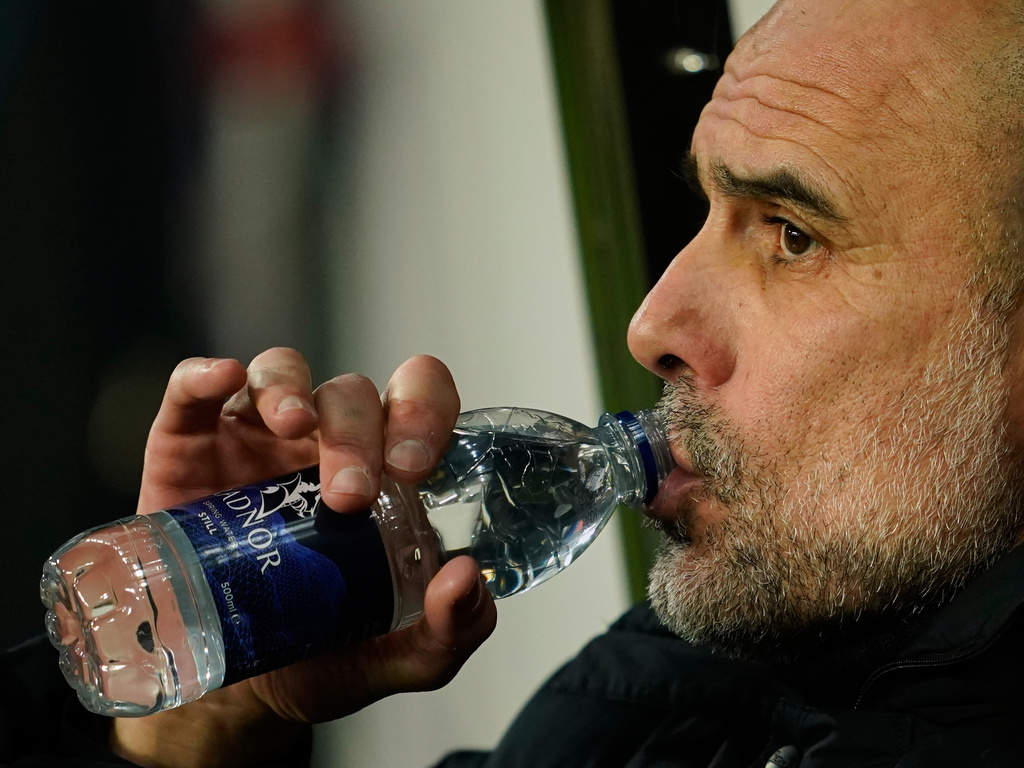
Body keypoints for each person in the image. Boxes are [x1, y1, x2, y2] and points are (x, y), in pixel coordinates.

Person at [7, 0, 1024, 764]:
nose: (652, 325)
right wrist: (208, 717)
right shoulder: (682, 689)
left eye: (792, 237)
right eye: (705, 211)